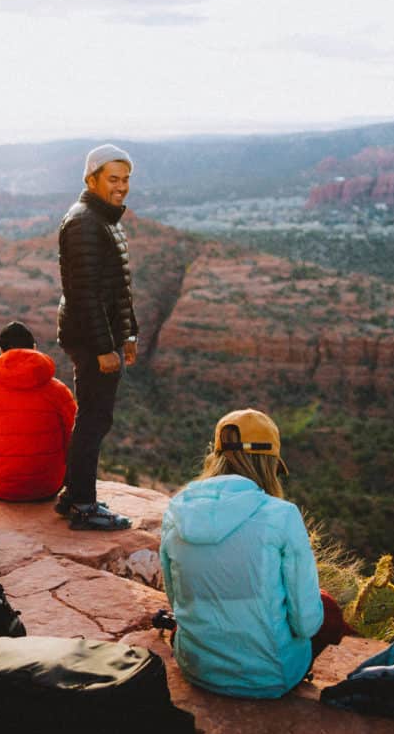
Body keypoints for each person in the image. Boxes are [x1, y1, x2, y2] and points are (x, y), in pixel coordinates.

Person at [159, 408, 355, 698]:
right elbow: (307, 623)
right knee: (327, 609)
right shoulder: (283, 515)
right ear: (268, 464)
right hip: (269, 678)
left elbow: (177, 601)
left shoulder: (177, 511)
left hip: (196, 668)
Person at [55, 144, 138, 531]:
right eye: (113, 179)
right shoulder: (86, 223)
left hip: (100, 332)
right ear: (91, 180)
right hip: (91, 337)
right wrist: (105, 347)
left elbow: (118, 288)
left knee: (92, 416)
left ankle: (74, 495)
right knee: (94, 418)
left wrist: (130, 334)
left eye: (125, 179)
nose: (121, 187)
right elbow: (84, 292)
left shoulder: (102, 217)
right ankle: (84, 506)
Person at [0, 320, 76, 501]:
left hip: (3, 489)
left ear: (1, 352)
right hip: (50, 487)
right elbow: (73, 436)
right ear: (34, 348)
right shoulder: (59, 390)